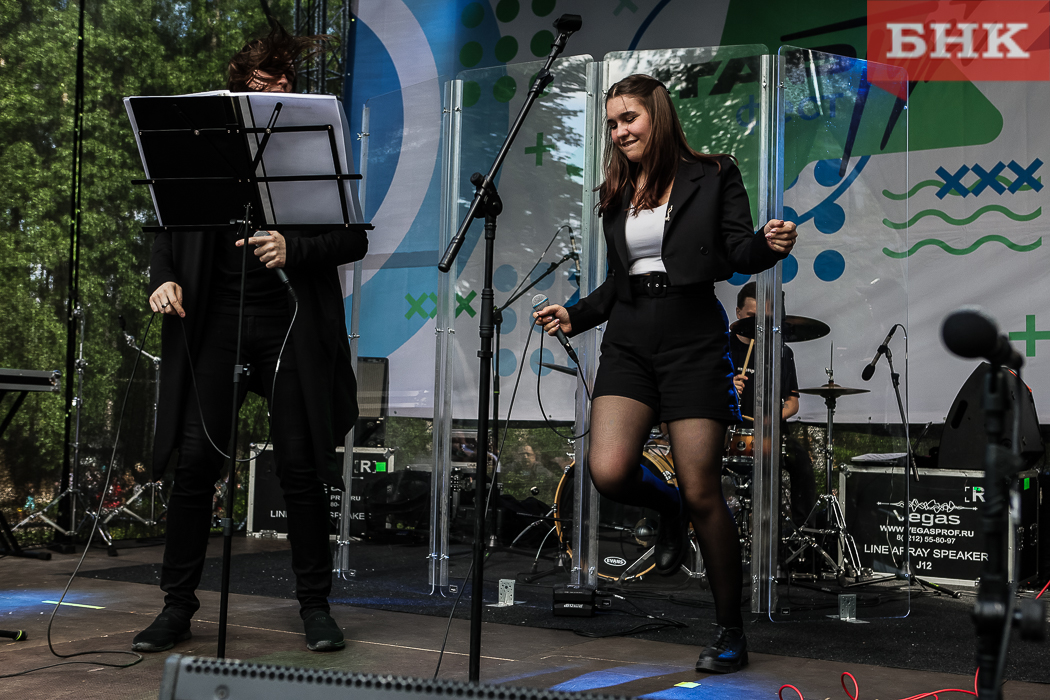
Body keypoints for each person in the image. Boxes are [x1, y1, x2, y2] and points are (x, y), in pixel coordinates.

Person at [534, 75, 796, 674]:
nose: (618, 132)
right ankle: (668, 508)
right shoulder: (617, 189)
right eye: (611, 124)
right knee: (608, 470)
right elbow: (623, 277)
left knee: (704, 490)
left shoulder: (714, 172)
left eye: (628, 118)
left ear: (658, 114)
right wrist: (576, 314)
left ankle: (729, 631)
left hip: (691, 339)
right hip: (629, 339)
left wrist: (769, 245)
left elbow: (737, 252)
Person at [132, 23, 367, 654]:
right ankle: (176, 606)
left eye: (283, 78)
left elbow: (353, 238)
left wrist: (296, 249)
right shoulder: (202, 143)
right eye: (262, 80)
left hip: (289, 322)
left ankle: (315, 607)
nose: (274, 87)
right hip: (213, 323)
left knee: (300, 467)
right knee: (195, 464)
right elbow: (165, 227)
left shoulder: (312, 142)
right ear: (240, 86)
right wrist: (162, 279)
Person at [729, 282, 816, 528]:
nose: (757, 323)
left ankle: (802, 533)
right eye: (751, 316)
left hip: (771, 435)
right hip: (731, 433)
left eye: (763, 318)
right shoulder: (722, 348)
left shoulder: (781, 352)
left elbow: (793, 403)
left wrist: (773, 416)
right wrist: (726, 389)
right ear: (738, 313)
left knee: (801, 461)